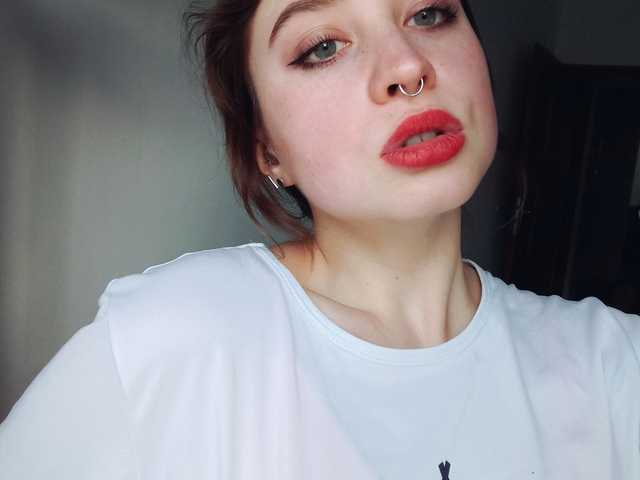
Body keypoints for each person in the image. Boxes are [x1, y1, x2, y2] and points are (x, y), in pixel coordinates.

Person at [1, 0, 639, 478]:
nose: (407, 66)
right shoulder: (167, 340)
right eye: (324, 46)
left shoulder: (613, 364)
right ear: (267, 150)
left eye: (430, 13)